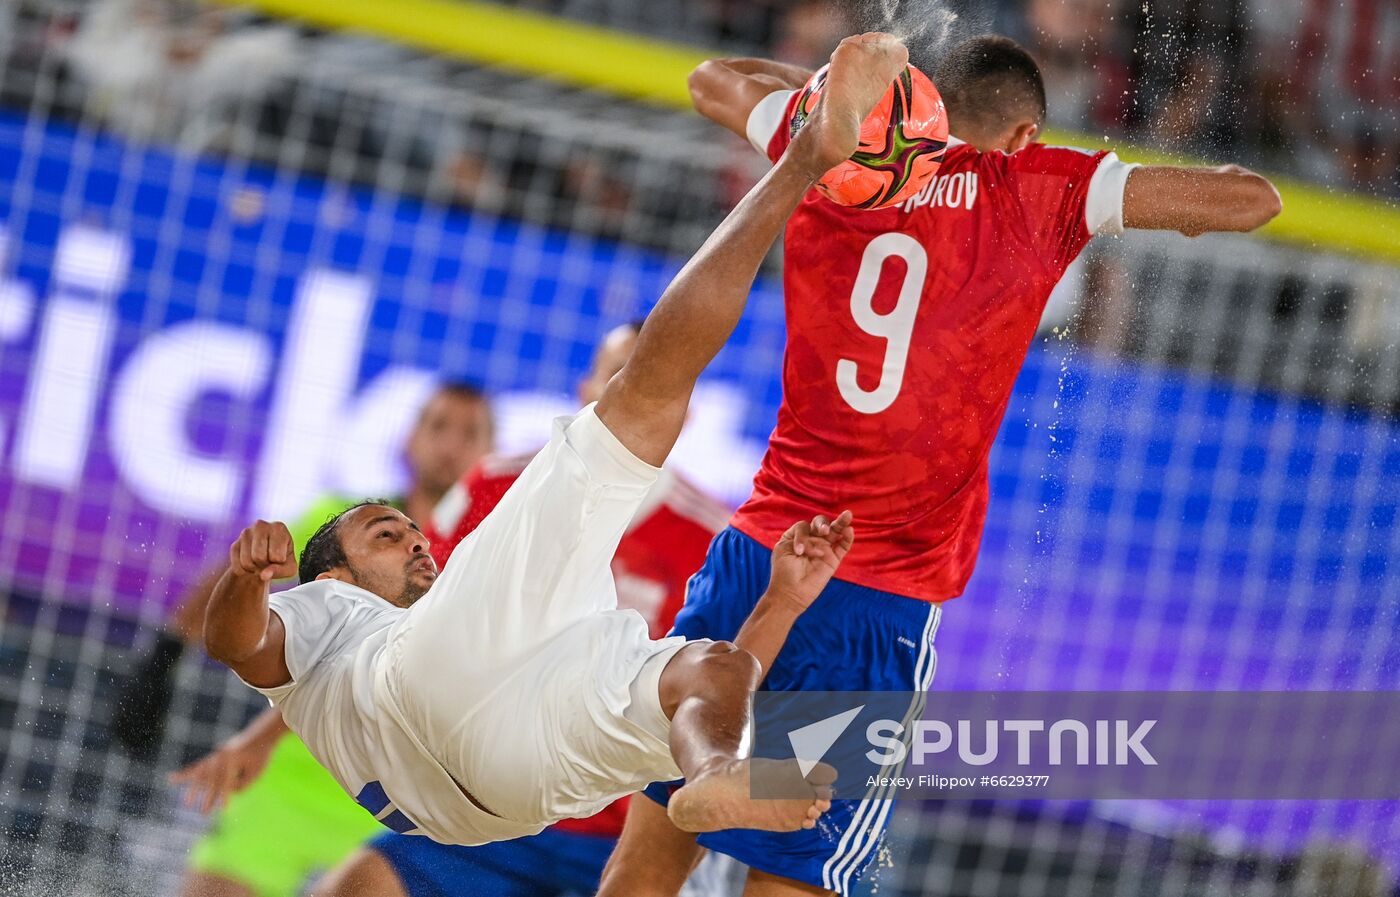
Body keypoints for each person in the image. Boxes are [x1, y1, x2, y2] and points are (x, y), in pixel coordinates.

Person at [597, 33, 1283, 897]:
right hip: (874, 602)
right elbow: (1251, 200)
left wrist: (841, 103)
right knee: (793, 876)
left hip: (757, 552)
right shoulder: (1038, 187)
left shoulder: (837, 151)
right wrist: (1091, 182)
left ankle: (713, 782)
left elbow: (711, 80)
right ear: (1025, 135)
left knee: (646, 863)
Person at [199, 32, 909, 854]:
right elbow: (233, 640)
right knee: (643, 398)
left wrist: (782, 600)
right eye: (385, 534)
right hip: (442, 719)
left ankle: (718, 772)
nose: (415, 537)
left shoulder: (638, 548)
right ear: (332, 574)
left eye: (407, 527)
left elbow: (722, 688)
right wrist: (247, 578)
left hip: (515, 789)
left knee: (708, 672)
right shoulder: (332, 614)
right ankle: (805, 161)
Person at [176, 322, 737, 897]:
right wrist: (266, 735)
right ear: (585, 386)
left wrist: (784, 788)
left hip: (615, 819)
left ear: (687, 409)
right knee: (358, 885)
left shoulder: (711, 538)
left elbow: (731, 685)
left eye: (654, 371)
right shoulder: (495, 485)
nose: (637, 380)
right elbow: (376, 629)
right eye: (617, 369)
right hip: (475, 808)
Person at [117, 381, 492, 897]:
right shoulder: (344, 521)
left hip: (395, 804)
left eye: (470, 433)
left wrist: (255, 737)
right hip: (292, 776)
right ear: (409, 439)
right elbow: (238, 573)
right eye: (438, 426)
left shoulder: (478, 555)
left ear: (488, 455)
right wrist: (162, 658)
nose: (451, 444)